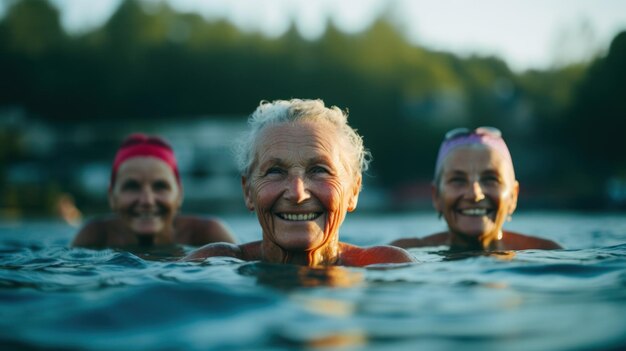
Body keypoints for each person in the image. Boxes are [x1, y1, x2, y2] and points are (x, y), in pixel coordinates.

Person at [183, 99, 415, 266]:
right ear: (248, 192)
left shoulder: (387, 265)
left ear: (353, 191)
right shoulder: (209, 264)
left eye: (319, 170)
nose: (297, 193)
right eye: (275, 171)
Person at [390, 127, 562, 251]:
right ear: (436, 197)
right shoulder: (400, 254)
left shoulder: (548, 252)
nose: (474, 194)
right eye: (457, 180)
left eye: (490, 179)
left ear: (513, 196)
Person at [72, 133, 236, 249]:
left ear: (179, 194)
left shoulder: (209, 236)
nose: (147, 200)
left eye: (160, 187)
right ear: (112, 196)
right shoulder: (95, 236)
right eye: (132, 187)